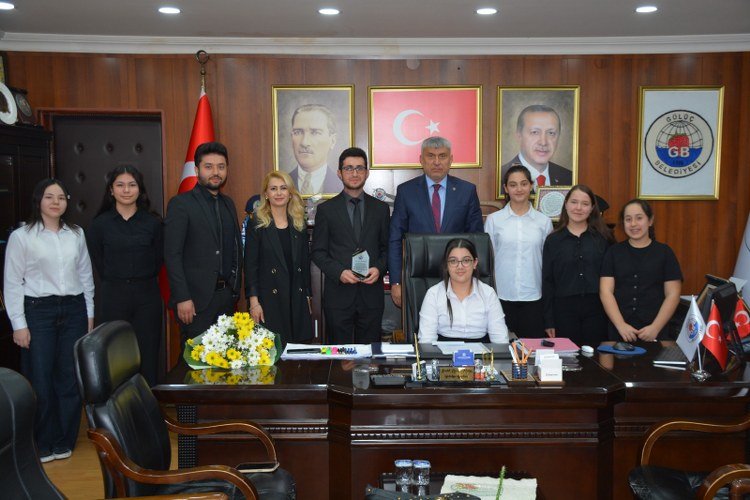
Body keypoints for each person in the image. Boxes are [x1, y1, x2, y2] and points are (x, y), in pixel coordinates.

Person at [3, 179, 94, 463]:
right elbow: (12, 282)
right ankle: (42, 441)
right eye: (49, 197)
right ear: (38, 200)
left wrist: (89, 314)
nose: (56, 202)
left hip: (74, 309)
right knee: (40, 378)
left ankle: (64, 439)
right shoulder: (22, 236)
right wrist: (18, 324)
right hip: (38, 311)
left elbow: (86, 276)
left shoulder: (76, 234)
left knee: (69, 378)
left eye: (61, 197)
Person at [87, 165, 163, 386]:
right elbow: (99, 262)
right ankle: (116, 406)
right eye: (120, 185)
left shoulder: (153, 223)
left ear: (140, 189)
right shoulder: (99, 225)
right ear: (111, 190)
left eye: (132, 185)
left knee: (148, 355)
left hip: (147, 296)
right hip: (114, 296)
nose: (126, 190)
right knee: (115, 356)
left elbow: (158, 259)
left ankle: (147, 402)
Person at [389, 136, 484, 308]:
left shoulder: (467, 191)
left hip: (458, 276)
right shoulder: (406, 191)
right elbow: (395, 239)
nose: (437, 162)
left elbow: (476, 239)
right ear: (421, 160)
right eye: (431, 156)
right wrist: (396, 281)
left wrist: (474, 278)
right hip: (416, 277)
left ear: (451, 160)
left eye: (442, 156)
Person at [164, 142, 243, 344]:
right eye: (209, 166)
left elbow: (235, 248)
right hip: (194, 302)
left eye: (221, 167)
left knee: (226, 358)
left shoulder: (228, 204)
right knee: (195, 361)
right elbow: (172, 255)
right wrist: (182, 297)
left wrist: (234, 289)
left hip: (226, 299)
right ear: (197, 170)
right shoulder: (181, 204)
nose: (215, 172)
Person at [311, 147, 390, 343]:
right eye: (348, 168)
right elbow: (318, 252)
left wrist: (379, 269)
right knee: (339, 356)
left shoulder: (381, 209)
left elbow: (388, 249)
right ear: (339, 173)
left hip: (371, 296)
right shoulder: (326, 210)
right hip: (338, 296)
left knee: (370, 355)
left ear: (367, 172)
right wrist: (339, 272)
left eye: (359, 168)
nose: (354, 173)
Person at [245, 171, 313, 346]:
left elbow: (304, 264)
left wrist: (307, 296)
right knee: (273, 352)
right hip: (269, 300)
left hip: (296, 298)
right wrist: (254, 302)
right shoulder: (257, 223)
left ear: (290, 193)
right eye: (273, 189)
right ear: (266, 194)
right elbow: (251, 266)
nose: (279, 193)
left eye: (283, 188)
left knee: (297, 353)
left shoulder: (298, 223)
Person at [600, 199, 682, 342]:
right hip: (620, 331)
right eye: (628, 219)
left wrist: (655, 328)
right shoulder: (613, 252)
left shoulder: (665, 252)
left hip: (655, 331)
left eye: (639, 218)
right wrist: (621, 325)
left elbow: (673, 294)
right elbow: (605, 291)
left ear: (650, 221)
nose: (633, 224)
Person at [485, 165, 553, 338]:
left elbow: (548, 263)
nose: (519, 189)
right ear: (506, 188)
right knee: (500, 349)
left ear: (531, 186)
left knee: (531, 350)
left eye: (523, 184)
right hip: (501, 297)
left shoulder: (544, 221)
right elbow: (488, 259)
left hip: (534, 298)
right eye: (513, 185)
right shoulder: (494, 220)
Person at [542, 184, 614, 346]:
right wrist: (549, 320)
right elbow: (548, 281)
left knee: (596, 356)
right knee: (568, 356)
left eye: (585, 204)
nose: (578, 208)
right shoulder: (553, 240)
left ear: (592, 208)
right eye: (574, 202)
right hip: (563, 311)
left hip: (597, 310)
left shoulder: (604, 238)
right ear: (566, 204)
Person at [418, 238, 508, 343]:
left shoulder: (488, 294)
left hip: (481, 352)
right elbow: (426, 341)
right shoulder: (433, 294)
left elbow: (500, 340)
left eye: (466, 260)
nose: (460, 266)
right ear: (446, 265)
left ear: (475, 263)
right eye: (453, 261)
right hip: (442, 352)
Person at [500, 104, 572, 192]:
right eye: (535, 132)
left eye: (551, 133)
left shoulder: (569, 177)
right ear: (519, 135)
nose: (543, 142)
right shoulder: (501, 177)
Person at [287, 104, 340, 195]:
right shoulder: (282, 184)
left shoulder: (342, 186)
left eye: (315, 132)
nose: (304, 142)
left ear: (332, 141)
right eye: (298, 132)